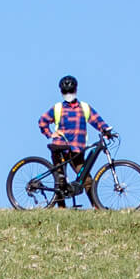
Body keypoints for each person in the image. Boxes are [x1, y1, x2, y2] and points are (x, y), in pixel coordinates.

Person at [35, 75, 111, 203]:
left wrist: (106, 130)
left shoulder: (85, 108)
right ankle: (61, 209)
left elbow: (97, 121)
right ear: (61, 92)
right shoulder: (57, 108)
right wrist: (50, 134)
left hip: (77, 151)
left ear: (75, 90)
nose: (68, 94)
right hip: (60, 148)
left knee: (86, 179)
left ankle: (96, 206)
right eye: (65, 91)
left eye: (70, 91)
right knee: (60, 180)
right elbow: (42, 121)